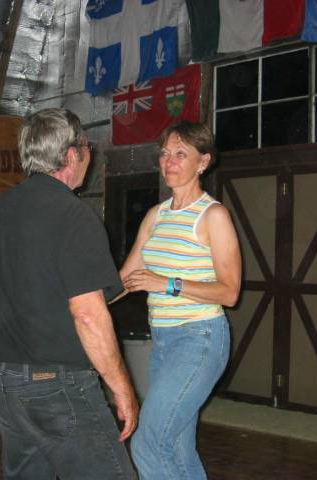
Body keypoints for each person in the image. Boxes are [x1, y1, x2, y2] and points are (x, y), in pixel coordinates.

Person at [0, 108, 138, 479]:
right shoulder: (74, 215)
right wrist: (122, 388)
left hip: (3, 381)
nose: (90, 156)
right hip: (57, 385)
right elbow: (88, 314)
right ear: (72, 155)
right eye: (88, 148)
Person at [118, 121, 242, 479]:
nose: (169, 161)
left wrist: (167, 284)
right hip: (164, 341)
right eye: (164, 153)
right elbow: (125, 280)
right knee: (175, 446)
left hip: (200, 338)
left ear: (203, 162)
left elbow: (229, 292)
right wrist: (79, 302)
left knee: (148, 443)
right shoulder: (155, 216)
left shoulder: (213, 216)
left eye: (180, 154)